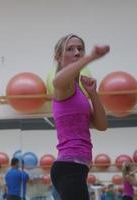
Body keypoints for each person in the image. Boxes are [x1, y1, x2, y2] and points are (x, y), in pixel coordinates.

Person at [50, 34, 109, 200]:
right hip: (69, 167)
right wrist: (91, 57)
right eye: (70, 49)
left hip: (77, 168)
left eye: (80, 49)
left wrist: (93, 93)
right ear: (58, 56)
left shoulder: (78, 90)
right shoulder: (64, 87)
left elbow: (102, 125)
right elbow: (57, 81)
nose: (77, 52)